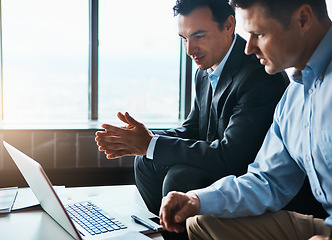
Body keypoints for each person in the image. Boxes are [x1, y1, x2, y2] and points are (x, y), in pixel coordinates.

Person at [95, 0, 288, 217]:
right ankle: (156, 229)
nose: (189, 50)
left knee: (180, 177)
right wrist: (145, 140)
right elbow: (193, 130)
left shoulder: (259, 75)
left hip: (246, 178)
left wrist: (151, 144)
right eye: (184, 39)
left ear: (228, 26)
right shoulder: (205, 72)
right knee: (145, 161)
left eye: (198, 36)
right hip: (223, 163)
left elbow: (232, 156)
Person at [159, 0, 332, 239]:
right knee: (200, 221)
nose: (248, 48)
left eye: (258, 34)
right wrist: (196, 199)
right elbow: (267, 180)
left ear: (302, 19)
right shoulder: (293, 98)